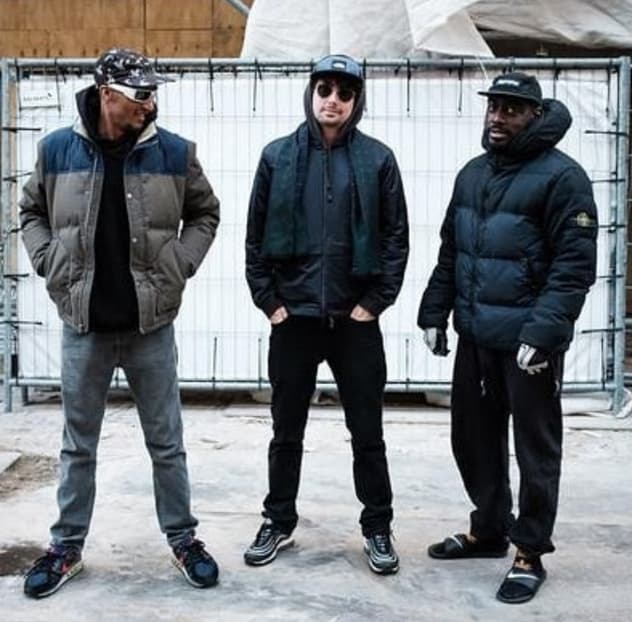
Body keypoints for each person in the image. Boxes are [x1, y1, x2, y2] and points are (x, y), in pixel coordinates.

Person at [19, 48, 221, 597]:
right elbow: (30, 211)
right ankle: (66, 548)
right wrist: (49, 261)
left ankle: (183, 540)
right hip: (83, 325)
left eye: (153, 94)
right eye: (140, 95)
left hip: (149, 326)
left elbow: (206, 212)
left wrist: (180, 263)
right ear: (106, 95)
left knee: (167, 443)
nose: (149, 104)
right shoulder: (56, 150)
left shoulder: (174, 152)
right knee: (77, 446)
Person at [417, 72, 598, 603]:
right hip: (476, 336)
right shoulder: (472, 174)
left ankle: (529, 551)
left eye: (512, 109)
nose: (498, 117)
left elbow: (573, 267)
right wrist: (435, 310)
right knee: (472, 438)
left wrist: (543, 333)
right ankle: (489, 529)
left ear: (535, 116)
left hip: (528, 344)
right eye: (494, 106)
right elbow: (452, 251)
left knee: (534, 448)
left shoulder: (563, 178)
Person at [244, 54, 409, 575]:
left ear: (357, 101)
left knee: (368, 433)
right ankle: (278, 520)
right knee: (285, 432)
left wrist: (374, 303)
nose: (332, 100)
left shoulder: (377, 160)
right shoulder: (277, 157)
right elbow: (254, 239)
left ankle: (377, 526)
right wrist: (270, 303)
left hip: (354, 322)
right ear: (311, 94)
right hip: (293, 320)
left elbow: (396, 238)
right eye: (324, 89)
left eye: (344, 92)